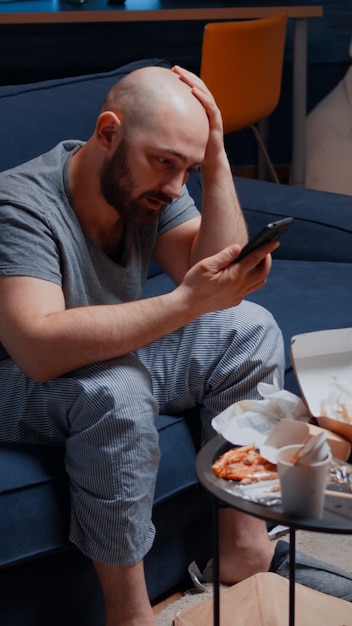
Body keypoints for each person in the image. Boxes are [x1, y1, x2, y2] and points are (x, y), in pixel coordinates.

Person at [0, 65, 325, 625]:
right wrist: (184, 303)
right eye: (166, 163)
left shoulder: (151, 184)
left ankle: (244, 549)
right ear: (108, 133)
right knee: (117, 390)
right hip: (17, 378)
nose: (176, 187)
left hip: (101, 355)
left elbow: (216, 282)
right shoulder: (20, 204)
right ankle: (129, 615)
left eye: (188, 169)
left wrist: (217, 158)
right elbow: (38, 347)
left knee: (250, 326)